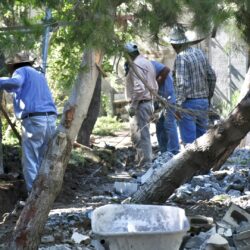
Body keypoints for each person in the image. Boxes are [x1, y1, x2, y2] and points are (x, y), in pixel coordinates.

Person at [0, 51, 57, 192]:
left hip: (34, 119)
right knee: (44, 159)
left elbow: (16, 82)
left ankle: (33, 196)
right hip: (50, 118)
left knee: (30, 159)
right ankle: (46, 193)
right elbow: (16, 87)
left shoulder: (21, 70)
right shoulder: (39, 75)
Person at [170, 25, 216, 145]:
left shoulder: (181, 57)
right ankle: (205, 163)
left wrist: (178, 106)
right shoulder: (200, 53)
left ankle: (192, 164)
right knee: (203, 141)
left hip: (188, 104)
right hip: (203, 102)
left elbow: (181, 84)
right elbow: (211, 76)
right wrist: (208, 97)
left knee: (190, 143)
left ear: (176, 45)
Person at [124, 42, 158, 170]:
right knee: (143, 135)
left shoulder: (136, 65)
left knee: (139, 136)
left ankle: (145, 166)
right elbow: (155, 85)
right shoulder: (147, 62)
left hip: (140, 105)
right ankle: (142, 164)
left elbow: (139, 89)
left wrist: (133, 106)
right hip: (147, 102)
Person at [151, 61, 180, 154]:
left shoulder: (150, 64)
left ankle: (174, 151)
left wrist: (157, 84)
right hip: (158, 100)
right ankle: (163, 151)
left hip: (167, 97)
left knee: (169, 124)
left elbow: (166, 69)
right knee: (159, 126)